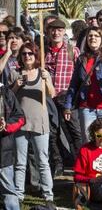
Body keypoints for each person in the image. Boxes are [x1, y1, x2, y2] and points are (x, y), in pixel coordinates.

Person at [9, 42, 56, 208]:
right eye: (24, 54)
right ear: (20, 57)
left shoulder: (43, 72)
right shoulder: (15, 74)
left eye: (30, 53)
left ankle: (48, 196)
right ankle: (18, 194)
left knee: (42, 160)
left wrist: (47, 81)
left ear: (36, 55)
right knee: (20, 162)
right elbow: (9, 98)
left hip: (39, 122)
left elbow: (52, 94)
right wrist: (17, 85)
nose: (27, 56)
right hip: (20, 124)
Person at [64, 27, 102, 143]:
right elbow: (74, 84)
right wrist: (68, 106)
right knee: (88, 142)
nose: (93, 38)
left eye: (96, 36)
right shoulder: (82, 59)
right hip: (87, 107)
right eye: (90, 36)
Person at [44, 18, 82, 177]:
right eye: (52, 30)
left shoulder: (72, 50)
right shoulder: (43, 50)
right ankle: (58, 163)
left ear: (64, 32)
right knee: (52, 133)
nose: (56, 33)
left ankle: (80, 162)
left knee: (74, 131)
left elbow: (80, 75)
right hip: (48, 97)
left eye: (59, 30)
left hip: (67, 96)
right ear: (48, 32)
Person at [0, 81, 26, 209]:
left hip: (3, 152)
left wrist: (6, 126)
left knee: (8, 191)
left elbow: (20, 117)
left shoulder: (6, 93)